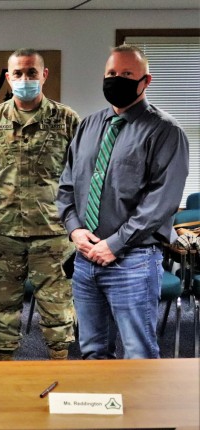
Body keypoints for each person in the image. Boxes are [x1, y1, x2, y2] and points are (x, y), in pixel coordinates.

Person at [57, 44, 189, 359]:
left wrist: (114, 244)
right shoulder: (89, 125)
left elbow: (161, 203)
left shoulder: (165, 131)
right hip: (85, 260)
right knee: (91, 350)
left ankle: (143, 411)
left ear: (146, 81)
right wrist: (75, 231)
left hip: (134, 262)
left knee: (138, 353)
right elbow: (66, 186)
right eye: (111, 73)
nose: (117, 79)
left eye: (127, 74)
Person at [0, 48, 79, 361]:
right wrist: (0, 198)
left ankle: (59, 366)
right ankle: (5, 369)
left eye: (31, 72)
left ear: (44, 75)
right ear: (8, 77)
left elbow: (82, 172)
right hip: (4, 231)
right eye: (18, 73)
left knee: (57, 310)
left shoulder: (67, 119)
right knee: (3, 309)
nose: (24, 79)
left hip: (52, 232)